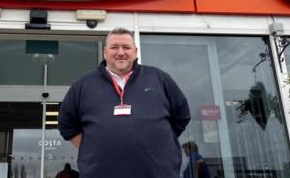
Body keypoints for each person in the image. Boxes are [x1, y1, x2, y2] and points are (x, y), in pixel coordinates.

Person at [58, 27, 191, 178]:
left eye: (126, 47)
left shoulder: (159, 78)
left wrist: (159, 140)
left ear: (135, 51)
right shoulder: (83, 84)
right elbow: (67, 126)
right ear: (105, 52)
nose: (121, 52)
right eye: (114, 47)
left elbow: (182, 116)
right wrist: (93, 146)